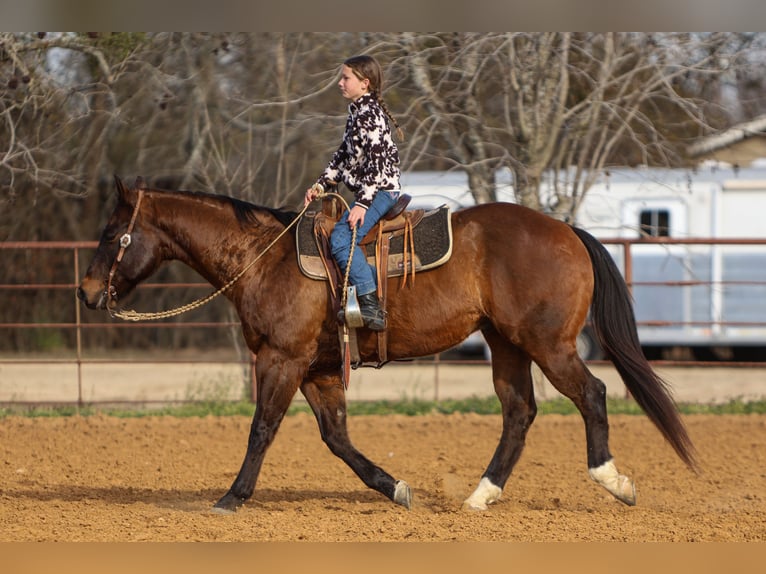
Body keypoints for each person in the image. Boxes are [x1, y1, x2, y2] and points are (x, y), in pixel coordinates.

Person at [305, 54, 404, 331]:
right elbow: (342, 157)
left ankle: (372, 308)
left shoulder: (369, 115)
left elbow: (377, 165)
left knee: (340, 239)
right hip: (372, 191)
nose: (340, 83)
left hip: (381, 191)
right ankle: (369, 281)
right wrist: (320, 185)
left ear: (364, 83)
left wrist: (361, 204)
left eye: (346, 77)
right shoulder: (358, 112)